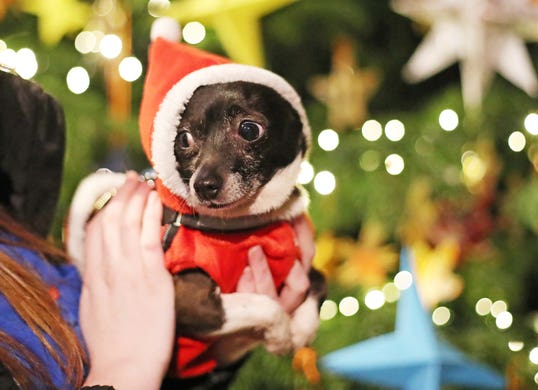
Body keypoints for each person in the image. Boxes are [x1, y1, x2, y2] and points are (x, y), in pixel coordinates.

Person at [0, 70, 316, 389]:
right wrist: (125, 370)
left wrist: (220, 356)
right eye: (187, 140)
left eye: (247, 130)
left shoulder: (21, 238)